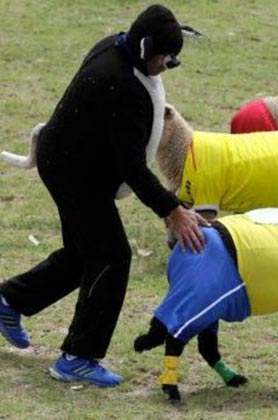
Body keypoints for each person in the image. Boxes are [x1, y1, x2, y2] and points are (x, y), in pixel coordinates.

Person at [0, 4, 208, 387]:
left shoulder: (117, 48)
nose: (165, 68)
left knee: (85, 252)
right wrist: (172, 209)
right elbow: (132, 168)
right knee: (112, 256)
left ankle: (9, 301)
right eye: (165, 59)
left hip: (69, 158)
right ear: (146, 48)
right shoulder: (121, 84)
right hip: (74, 173)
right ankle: (78, 357)